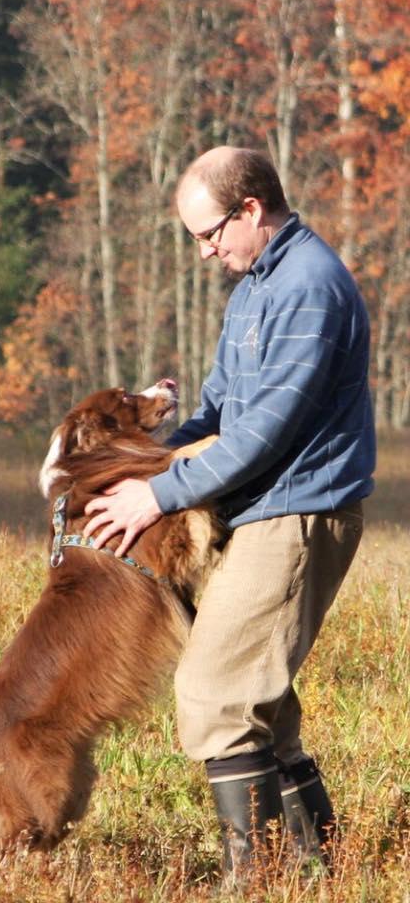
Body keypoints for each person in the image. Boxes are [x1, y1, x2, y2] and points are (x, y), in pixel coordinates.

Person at [84, 146, 376, 883]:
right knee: (261, 705)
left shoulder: (309, 287)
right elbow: (219, 407)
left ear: (251, 208)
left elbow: (264, 433)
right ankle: (321, 868)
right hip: (261, 510)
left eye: (210, 234)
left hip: (299, 513)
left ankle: (256, 882)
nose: (206, 252)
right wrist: (143, 465)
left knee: (215, 691)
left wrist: (158, 495)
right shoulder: (256, 286)